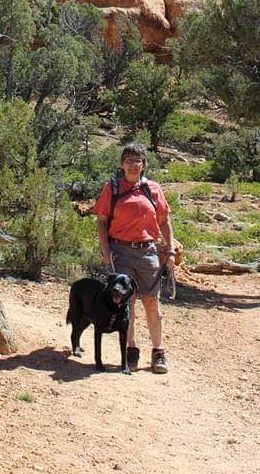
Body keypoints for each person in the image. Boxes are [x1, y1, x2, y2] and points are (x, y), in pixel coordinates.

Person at [92, 141, 175, 374]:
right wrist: (105, 248)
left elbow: (164, 221)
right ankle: (131, 350)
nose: (133, 165)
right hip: (120, 252)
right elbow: (101, 220)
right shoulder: (113, 189)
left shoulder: (153, 189)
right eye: (129, 160)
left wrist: (169, 248)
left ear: (144, 165)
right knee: (126, 303)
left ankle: (158, 352)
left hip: (148, 251)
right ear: (122, 165)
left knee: (152, 301)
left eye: (138, 160)